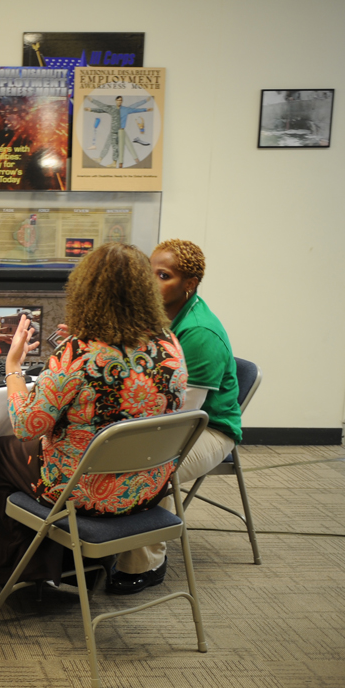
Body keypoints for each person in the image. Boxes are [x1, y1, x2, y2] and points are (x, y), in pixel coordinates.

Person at [0, 243, 188, 588]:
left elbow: (26, 425)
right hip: (148, 490)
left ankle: (35, 577)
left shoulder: (77, 357)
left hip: (83, 495)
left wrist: (13, 367)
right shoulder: (169, 345)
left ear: (83, 292)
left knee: (2, 452)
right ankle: (72, 569)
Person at [105, 239, 243, 594]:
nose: (151, 283)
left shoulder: (199, 333)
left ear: (189, 284)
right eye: (149, 272)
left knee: (150, 465)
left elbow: (182, 415)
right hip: (160, 416)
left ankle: (146, 563)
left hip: (207, 429)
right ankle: (107, 541)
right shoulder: (155, 312)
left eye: (163, 276)